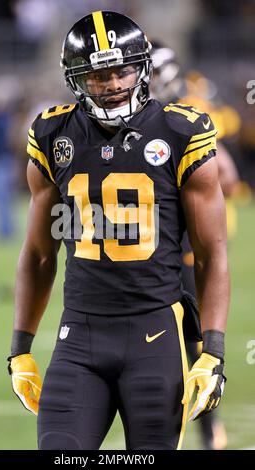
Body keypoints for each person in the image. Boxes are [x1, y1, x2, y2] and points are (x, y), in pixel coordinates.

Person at [7, 10, 229, 450]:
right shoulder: (54, 133)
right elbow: (37, 255)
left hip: (156, 335)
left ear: (142, 68)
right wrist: (20, 347)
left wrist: (214, 349)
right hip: (79, 338)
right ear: (75, 79)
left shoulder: (182, 130)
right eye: (97, 76)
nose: (111, 84)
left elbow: (210, 254)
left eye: (121, 71)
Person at [149, 41, 239, 450]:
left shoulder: (185, 114)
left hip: (181, 245)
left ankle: (206, 426)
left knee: (192, 339)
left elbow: (228, 175)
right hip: (140, 249)